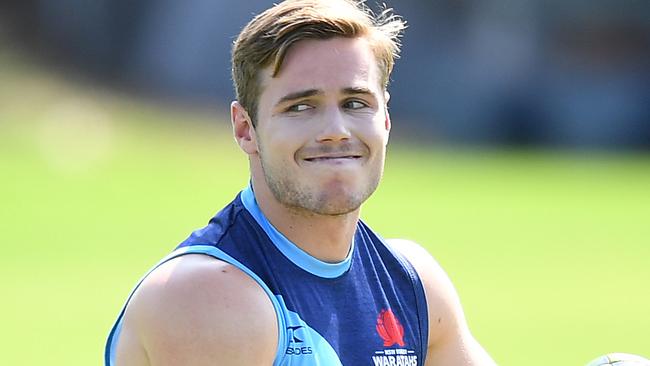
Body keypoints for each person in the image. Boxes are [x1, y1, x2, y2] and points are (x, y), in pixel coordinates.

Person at [105, 0, 497, 365]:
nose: (335, 130)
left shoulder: (412, 284)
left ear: (386, 120)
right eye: (301, 107)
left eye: (355, 103)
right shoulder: (206, 295)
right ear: (246, 129)